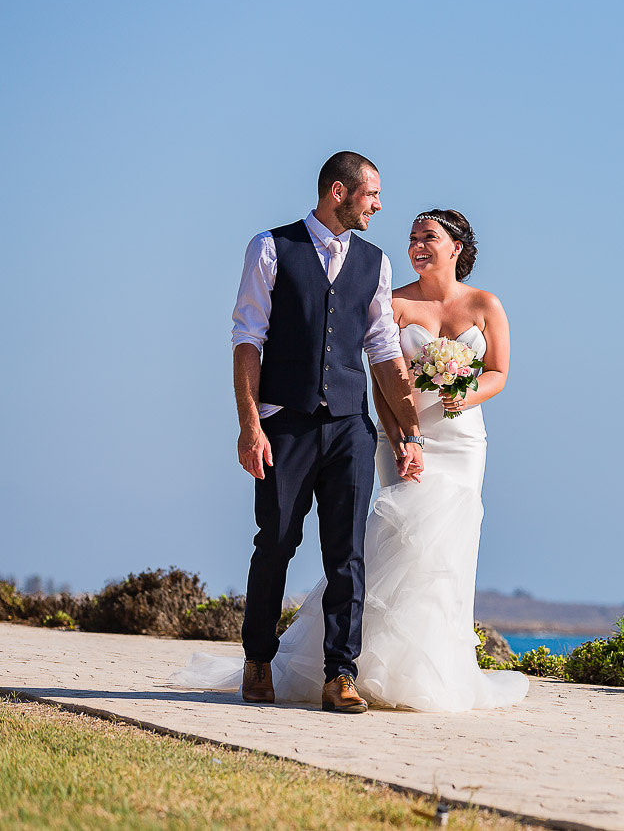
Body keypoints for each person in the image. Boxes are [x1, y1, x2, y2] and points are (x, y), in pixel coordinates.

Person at [172, 205, 528, 712]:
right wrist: (405, 435)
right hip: (399, 437)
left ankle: (436, 669)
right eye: (412, 238)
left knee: (449, 550)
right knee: (392, 539)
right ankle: (329, 664)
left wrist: (460, 393)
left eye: (428, 237)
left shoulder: (485, 304)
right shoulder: (394, 297)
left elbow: (498, 372)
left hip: (464, 439)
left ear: (457, 247)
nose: (416, 246)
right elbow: (384, 374)